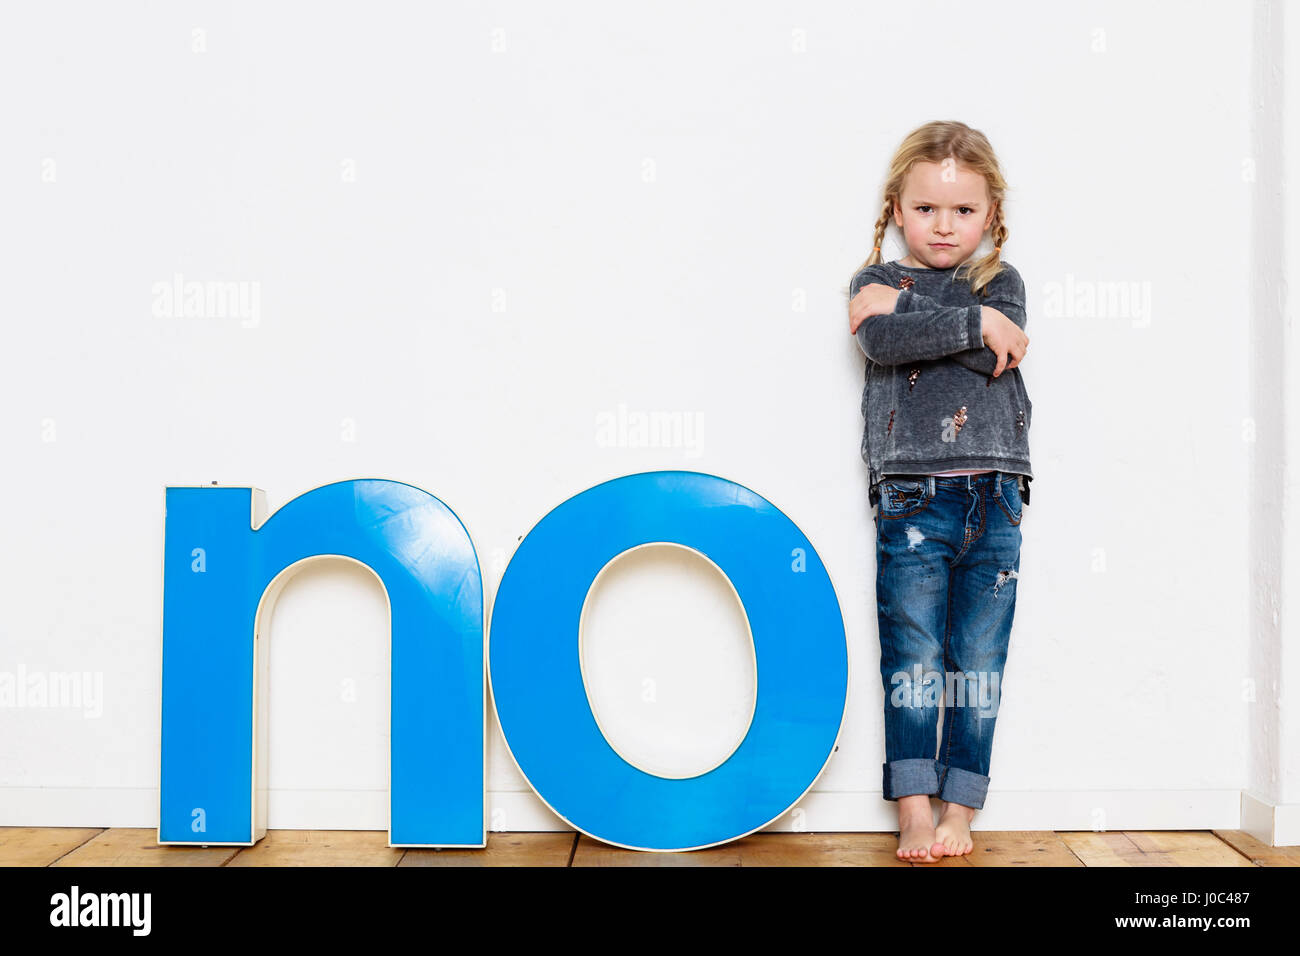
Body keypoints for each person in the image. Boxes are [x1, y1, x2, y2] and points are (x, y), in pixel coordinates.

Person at [845, 120, 1033, 863]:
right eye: (926, 210)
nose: (944, 226)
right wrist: (966, 322)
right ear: (898, 210)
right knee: (914, 659)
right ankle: (915, 811)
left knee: (979, 661)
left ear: (990, 218)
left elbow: (1002, 343)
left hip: (998, 494)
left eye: (962, 211)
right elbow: (878, 338)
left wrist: (977, 319)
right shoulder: (876, 284)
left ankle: (961, 806)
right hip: (913, 498)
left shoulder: (1003, 286)